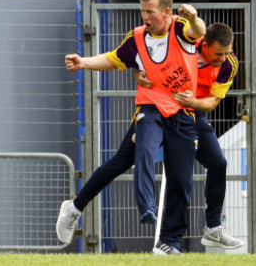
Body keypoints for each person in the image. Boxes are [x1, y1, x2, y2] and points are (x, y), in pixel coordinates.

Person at [56, 23, 244, 252]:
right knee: (120, 162)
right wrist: (137, 71)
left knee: (218, 163)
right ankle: (74, 207)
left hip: (189, 115)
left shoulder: (229, 63)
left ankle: (212, 228)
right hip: (156, 110)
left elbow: (213, 102)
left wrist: (192, 103)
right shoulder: (185, 41)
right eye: (218, 54)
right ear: (203, 44)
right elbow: (140, 58)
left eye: (227, 52)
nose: (223, 58)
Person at [62, 0, 206, 255]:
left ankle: (169, 242)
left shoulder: (181, 28)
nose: (145, 17)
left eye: (149, 11)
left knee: (181, 180)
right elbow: (114, 58)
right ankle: (146, 207)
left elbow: (199, 32)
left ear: (167, 12)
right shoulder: (137, 37)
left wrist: (195, 16)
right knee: (145, 148)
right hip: (150, 108)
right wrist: (83, 62)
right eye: (142, 12)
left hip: (182, 113)